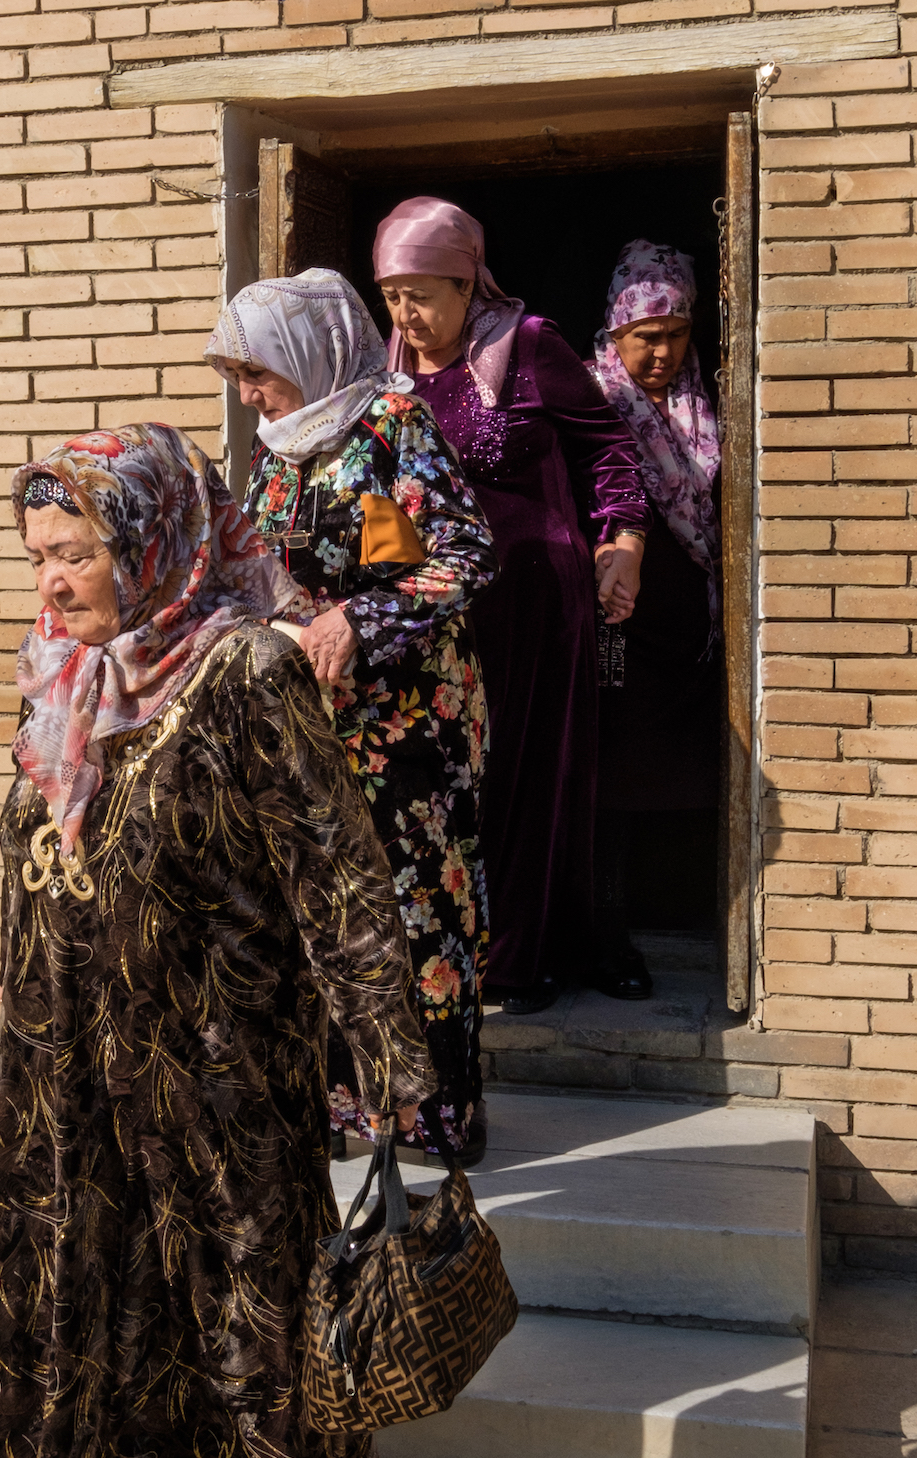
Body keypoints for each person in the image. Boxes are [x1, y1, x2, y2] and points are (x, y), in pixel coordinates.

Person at [0, 423, 435, 1458]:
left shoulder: (244, 671)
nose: (52, 585)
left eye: (75, 554)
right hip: (58, 1074)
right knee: (28, 1310)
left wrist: (389, 1060)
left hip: (216, 1063)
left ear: (152, 544)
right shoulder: (68, 673)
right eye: (39, 558)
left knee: (239, 1298)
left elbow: (338, 869)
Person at [205, 267, 499, 1163]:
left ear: (312, 353)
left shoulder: (386, 430)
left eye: (259, 373)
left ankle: (435, 1116)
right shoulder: (279, 449)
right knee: (325, 914)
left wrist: (356, 619)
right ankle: (348, 1108)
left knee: (415, 911)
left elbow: (460, 557)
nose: (250, 395)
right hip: (311, 729)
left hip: (405, 729)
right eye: (240, 379)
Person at [373, 198, 651, 1014]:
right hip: (438, 611)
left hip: (535, 599)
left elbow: (606, 446)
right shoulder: (390, 372)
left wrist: (622, 545)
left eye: (422, 294)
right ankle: (456, 948)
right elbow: (386, 493)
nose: (407, 315)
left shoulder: (527, 346)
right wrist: (392, 593)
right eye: (392, 296)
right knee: (453, 780)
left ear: (468, 282)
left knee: (528, 774)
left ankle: (520, 960)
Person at [586, 240, 723, 1000]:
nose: (664, 352)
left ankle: (678, 924)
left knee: (678, 776)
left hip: (685, 629)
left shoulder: (705, 403)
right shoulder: (587, 399)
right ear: (615, 336)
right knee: (611, 779)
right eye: (647, 337)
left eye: (676, 334)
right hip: (614, 623)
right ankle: (607, 939)